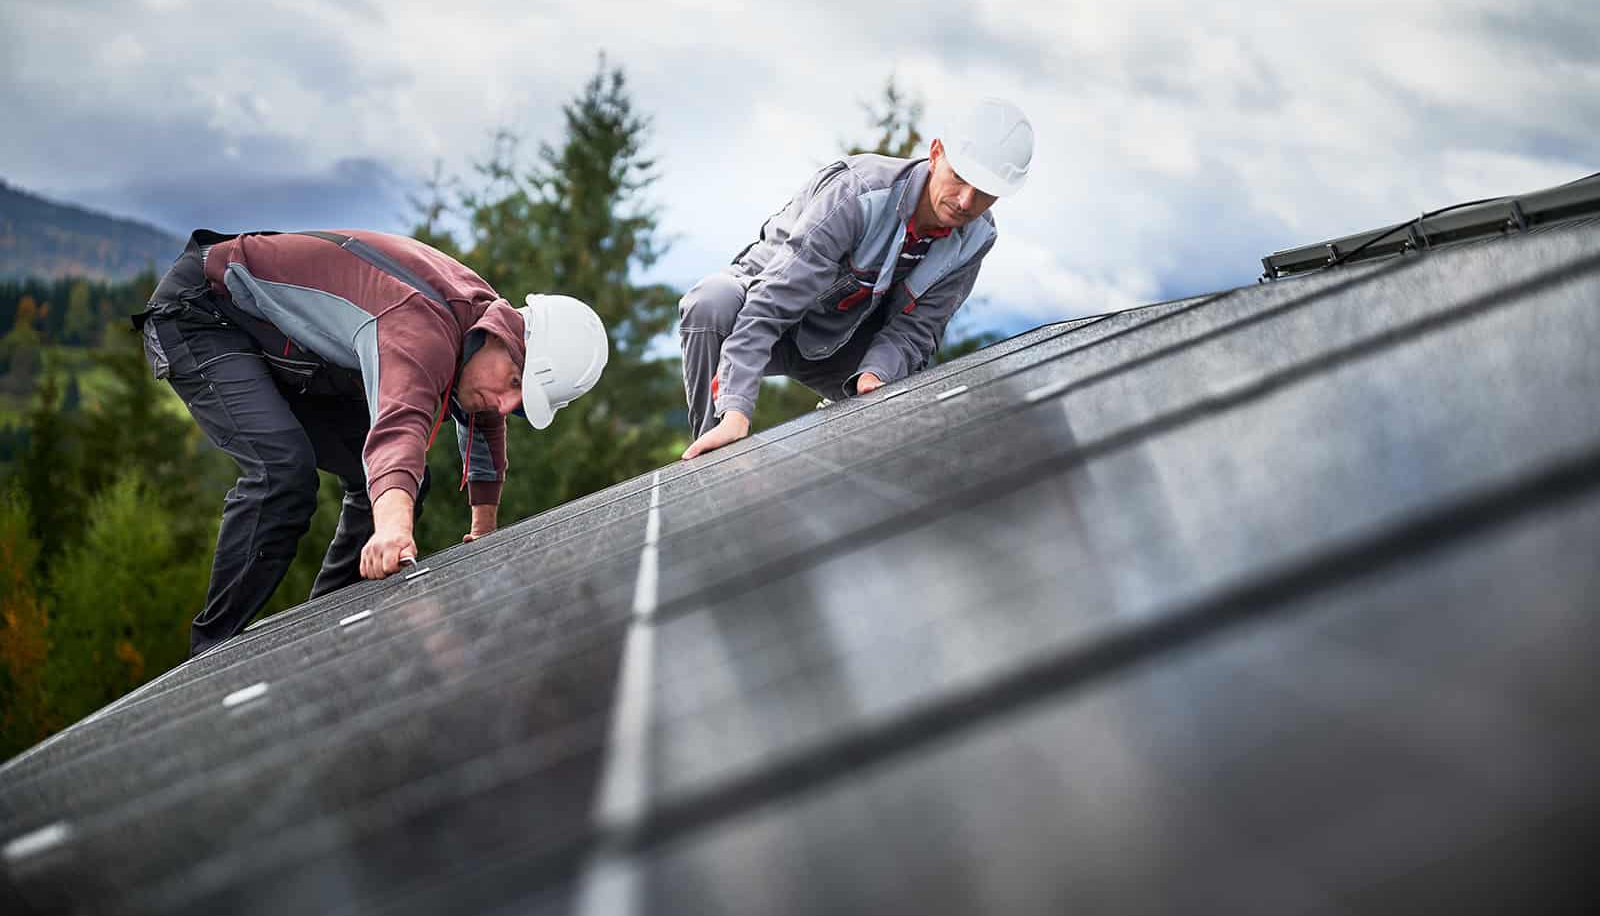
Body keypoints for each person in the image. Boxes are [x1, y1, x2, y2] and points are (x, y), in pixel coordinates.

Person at [135, 229, 608, 655]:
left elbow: (483, 415)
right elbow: (398, 430)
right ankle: (211, 650)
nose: (504, 405)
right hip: (206, 312)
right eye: (514, 383)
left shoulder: (481, 324)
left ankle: (330, 627)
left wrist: (483, 525)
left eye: (519, 404)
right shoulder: (421, 327)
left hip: (288, 347)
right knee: (283, 473)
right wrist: (392, 531)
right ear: (502, 336)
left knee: (404, 487)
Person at [678, 97, 1034, 460]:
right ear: (936, 153)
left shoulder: (977, 237)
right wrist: (735, 411)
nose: (966, 201)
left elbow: (917, 330)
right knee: (711, 302)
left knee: (899, 406)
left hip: (842, 340)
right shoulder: (857, 193)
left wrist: (875, 378)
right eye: (960, 177)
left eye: (985, 192)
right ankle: (713, 454)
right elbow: (772, 303)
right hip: (761, 314)